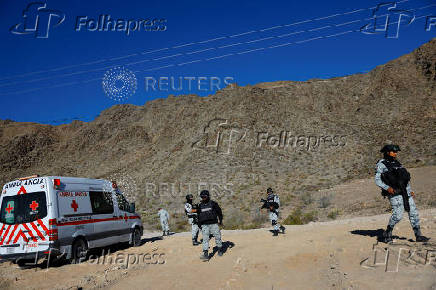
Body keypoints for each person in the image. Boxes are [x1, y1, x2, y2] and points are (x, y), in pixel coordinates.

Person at [375, 144, 429, 243]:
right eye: (393, 152)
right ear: (387, 152)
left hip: (405, 192)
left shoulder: (398, 163)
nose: (395, 154)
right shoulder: (381, 164)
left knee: (414, 213)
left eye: (396, 152)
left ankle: (418, 235)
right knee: (398, 215)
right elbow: (377, 180)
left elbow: (404, 179)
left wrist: (410, 190)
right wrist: (387, 188)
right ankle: (388, 232)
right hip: (394, 193)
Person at [197, 190, 224, 260]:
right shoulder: (200, 205)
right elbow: (198, 215)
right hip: (204, 225)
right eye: (202, 197)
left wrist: (220, 220)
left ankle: (220, 250)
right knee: (205, 239)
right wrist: (199, 224)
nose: (203, 198)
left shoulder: (213, 203)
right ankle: (206, 254)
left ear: (208, 196)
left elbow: (219, 212)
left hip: (214, 224)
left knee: (218, 237)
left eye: (204, 196)